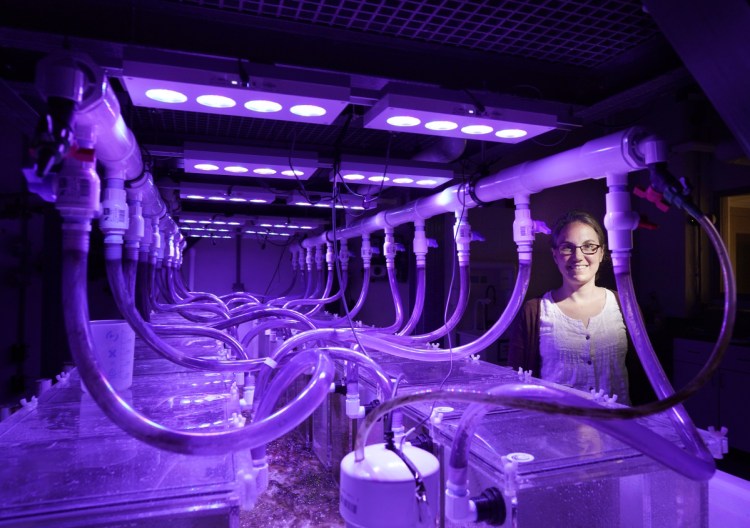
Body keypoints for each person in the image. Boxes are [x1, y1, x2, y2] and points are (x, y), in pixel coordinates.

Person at [508, 210, 632, 405]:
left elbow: (646, 376)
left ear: (601, 253)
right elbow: (517, 384)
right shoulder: (534, 311)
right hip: (555, 431)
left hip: (618, 430)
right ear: (555, 254)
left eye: (589, 246)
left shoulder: (625, 304)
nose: (578, 256)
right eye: (567, 247)